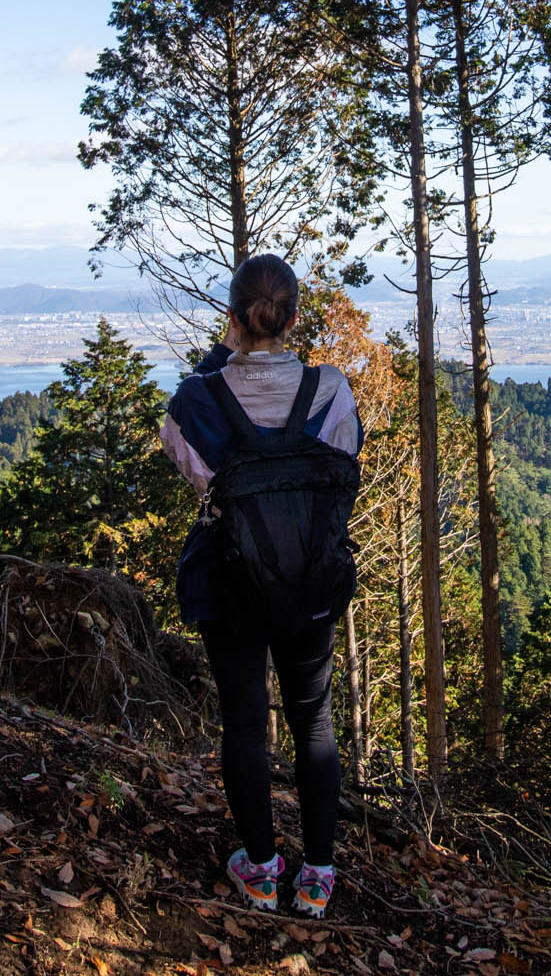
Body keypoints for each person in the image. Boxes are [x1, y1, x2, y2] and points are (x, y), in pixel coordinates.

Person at [160, 254, 362, 920]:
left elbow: (187, 454)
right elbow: (344, 465)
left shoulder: (197, 399)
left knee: (247, 725)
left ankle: (261, 868)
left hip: (231, 583)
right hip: (311, 581)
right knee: (314, 721)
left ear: (233, 318)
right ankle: (319, 875)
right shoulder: (331, 390)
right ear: (294, 317)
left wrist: (222, 353)